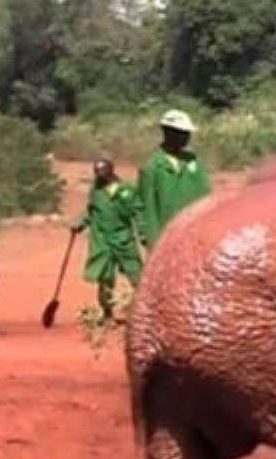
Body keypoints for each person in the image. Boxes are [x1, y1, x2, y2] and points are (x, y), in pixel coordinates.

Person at [72, 159, 143, 321]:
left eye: (102, 170)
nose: (99, 174)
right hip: (102, 240)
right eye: (96, 171)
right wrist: (80, 223)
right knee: (105, 277)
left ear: (111, 170)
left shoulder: (127, 191)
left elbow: (138, 212)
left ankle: (141, 311)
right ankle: (107, 312)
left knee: (136, 273)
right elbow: (91, 211)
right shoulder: (96, 191)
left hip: (123, 238)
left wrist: (143, 233)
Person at [136, 109, 210, 250]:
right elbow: (146, 207)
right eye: (182, 133)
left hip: (193, 233)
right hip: (165, 237)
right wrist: (150, 239)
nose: (187, 137)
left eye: (188, 134)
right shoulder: (152, 167)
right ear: (167, 132)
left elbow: (205, 196)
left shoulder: (193, 161)